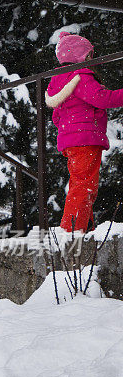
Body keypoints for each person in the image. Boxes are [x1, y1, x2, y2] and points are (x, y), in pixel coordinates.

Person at [46, 31, 123, 232]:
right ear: (80, 57)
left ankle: (82, 229)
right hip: (85, 139)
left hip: (72, 141)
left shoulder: (59, 80)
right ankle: (71, 232)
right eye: (89, 55)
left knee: (82, 185)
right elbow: (102, 99)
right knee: (84, 187)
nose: (92, 60)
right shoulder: (80, 76)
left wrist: (71, 130)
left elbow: (56, 117)